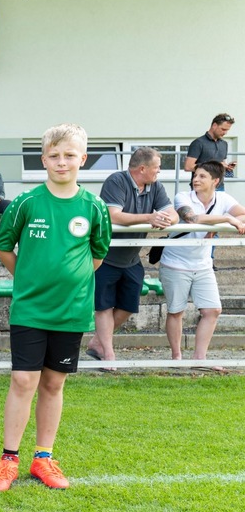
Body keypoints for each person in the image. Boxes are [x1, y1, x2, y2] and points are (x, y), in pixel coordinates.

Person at [0, 124, 111, 493]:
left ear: (82, 159)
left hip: (70, 311)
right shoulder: (27, 203)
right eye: (54, 155)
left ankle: (44, 458)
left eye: (69, 155)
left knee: (53, 383)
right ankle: (8, 460)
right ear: (43, 160)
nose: (61, 162)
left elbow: (97, 255)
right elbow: (4, 248)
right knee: (24, 380)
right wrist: (28, 278)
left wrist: (68, 280)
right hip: (30, 309)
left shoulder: (94, 206)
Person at [86, 147, 177, 366]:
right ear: (143, 168)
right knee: (104, 306)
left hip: (131, 258)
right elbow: (113, 215)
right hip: (105, 257)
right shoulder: (116, 181)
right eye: (157, 168)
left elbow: (172, 213)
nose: (159, 172)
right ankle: (108, 355)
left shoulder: (155, 186)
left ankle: (98, 342)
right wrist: (150, 217)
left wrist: (166, 220)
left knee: (128, 306)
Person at [160, 160, 245, 369]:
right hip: (175, 263)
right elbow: (192, 218)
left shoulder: (223, 198)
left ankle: (199, 359)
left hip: (203, 264)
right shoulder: (183, 196)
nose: (195, 179)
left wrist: (222, 223)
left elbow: (242, 215)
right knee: (176, 311)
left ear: (215, 181)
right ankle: (176, 357)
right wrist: (225, 219)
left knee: (213, 310)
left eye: (202, 176)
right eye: (195, 175)